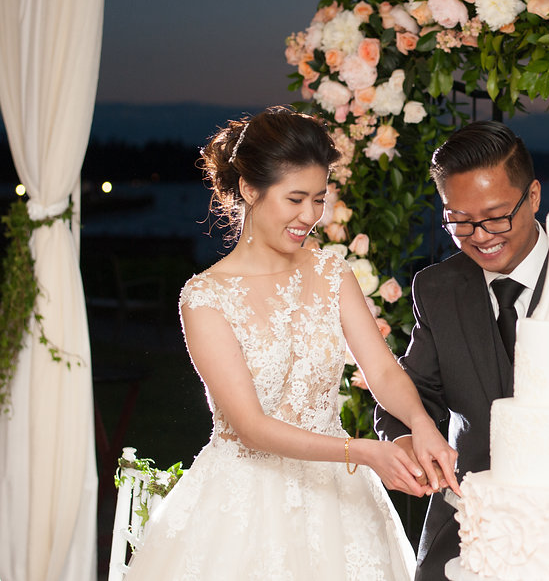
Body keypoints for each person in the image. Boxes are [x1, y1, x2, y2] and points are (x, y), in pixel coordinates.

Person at [123, 107, 458, 580]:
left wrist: (421, 424)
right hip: (242, 506)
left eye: (319, 199)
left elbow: (383, 371)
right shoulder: (205, 298)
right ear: (249, 189)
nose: (310, 216)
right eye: (295, 198)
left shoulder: (331, 271)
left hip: (337, 503)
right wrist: (364, 453)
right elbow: (251, 427)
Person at [373, 120, 549, 581]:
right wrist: (406, 443)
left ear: (532, 197)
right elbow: (413, 396)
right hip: (464, 529)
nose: (480, 235)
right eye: (459, 221)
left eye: (495, 216)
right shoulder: (437, 288)